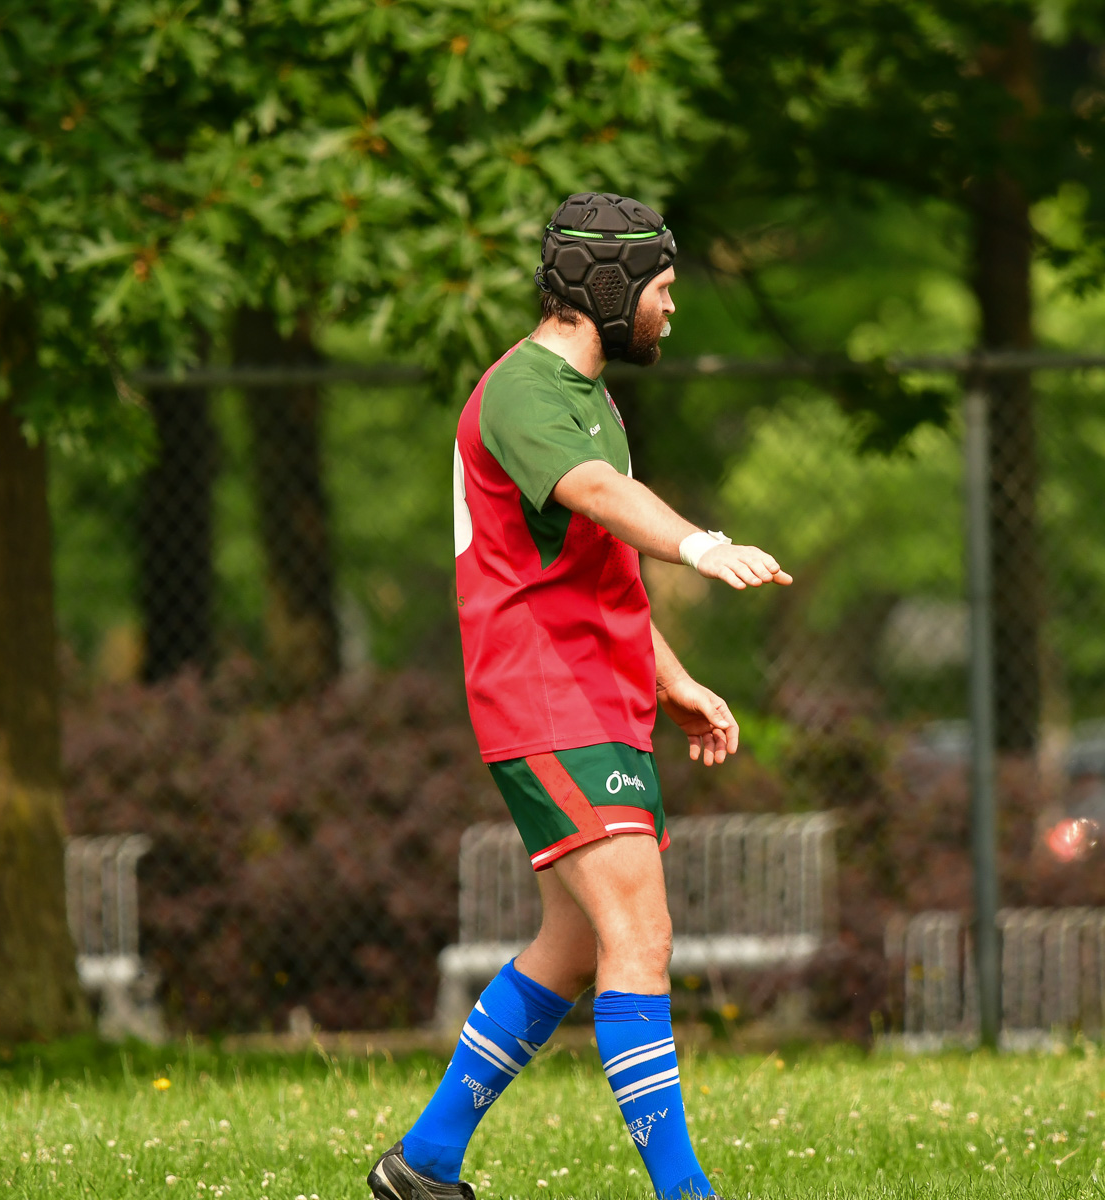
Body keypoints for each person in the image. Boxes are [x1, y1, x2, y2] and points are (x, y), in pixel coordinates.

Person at [368, 193, 792, 1200]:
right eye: (661, 290)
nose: (669, 310)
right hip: (543, 693)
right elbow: (603, 500)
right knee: (638, 936)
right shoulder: (522, 391)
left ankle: (423, 1165)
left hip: (594, 694)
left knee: (568, 948)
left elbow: (597, 568)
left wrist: (676, 681)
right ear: (608, 287)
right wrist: (702, 543)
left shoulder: (586, 402)